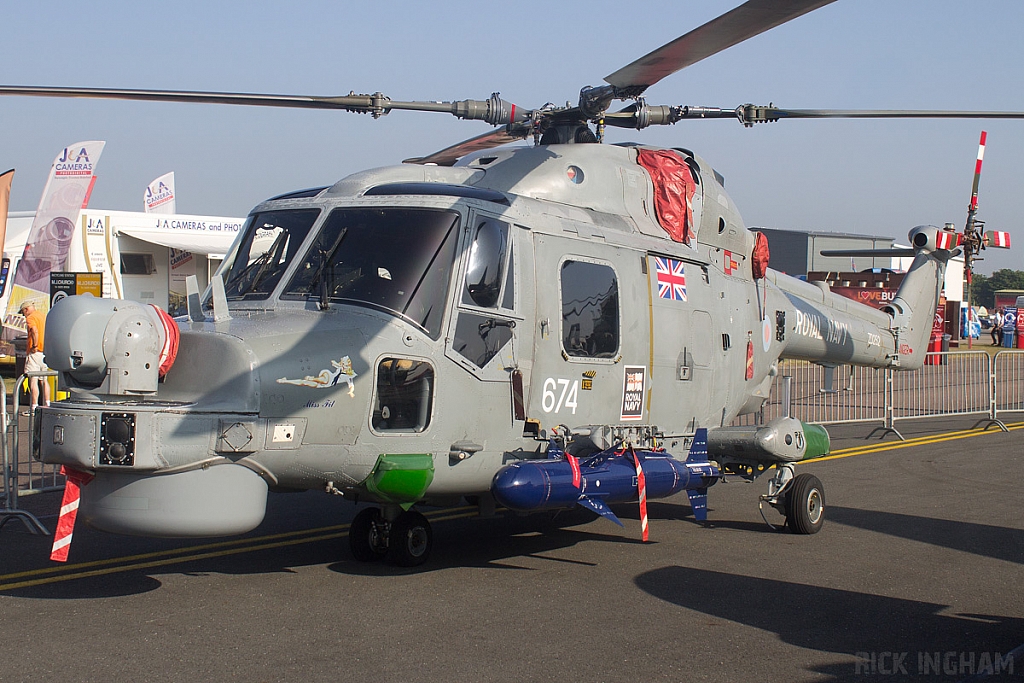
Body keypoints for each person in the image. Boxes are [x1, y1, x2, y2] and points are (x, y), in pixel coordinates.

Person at [20, 300, 50, 413]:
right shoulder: (43, 316)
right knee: (44, 380)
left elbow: (34, 330)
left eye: (23, 313)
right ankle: (47, 403)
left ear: (26, 309)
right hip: (44, 352)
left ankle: (34, 406)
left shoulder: (31, 318)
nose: (24, 315)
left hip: (35, 352)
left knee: (33, 380)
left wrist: (34, 345)